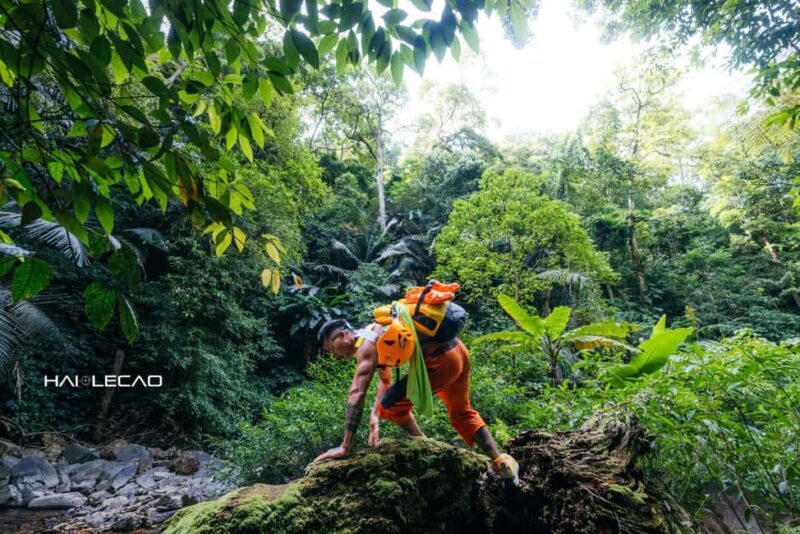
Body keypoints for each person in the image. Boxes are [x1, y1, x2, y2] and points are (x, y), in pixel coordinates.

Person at [312, 317, 519, 485]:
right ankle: (501, 462)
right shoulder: (375, 332)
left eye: (331, 349)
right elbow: (385, 381)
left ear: (342, 335)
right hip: (458, 350)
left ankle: (428, 446)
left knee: (391, 407)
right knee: (461, 413)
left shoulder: (366, 346)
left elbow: (357, 392)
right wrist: (374, 417)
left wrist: (345, 447)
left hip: (441, 360)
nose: (334, 356)